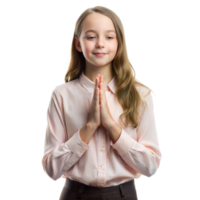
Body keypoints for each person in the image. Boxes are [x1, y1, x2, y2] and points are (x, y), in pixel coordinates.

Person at [41, 6, 163, 200]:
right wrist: (89, 128)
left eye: (109, 37)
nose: (100, 44)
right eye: (91, 37)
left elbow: (150, 167)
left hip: (124, 194)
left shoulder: (141, 96)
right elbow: (52, 170)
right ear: (78, 44)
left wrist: (112, 126)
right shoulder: (61, 95)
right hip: (75, 194)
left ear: (119, 43)